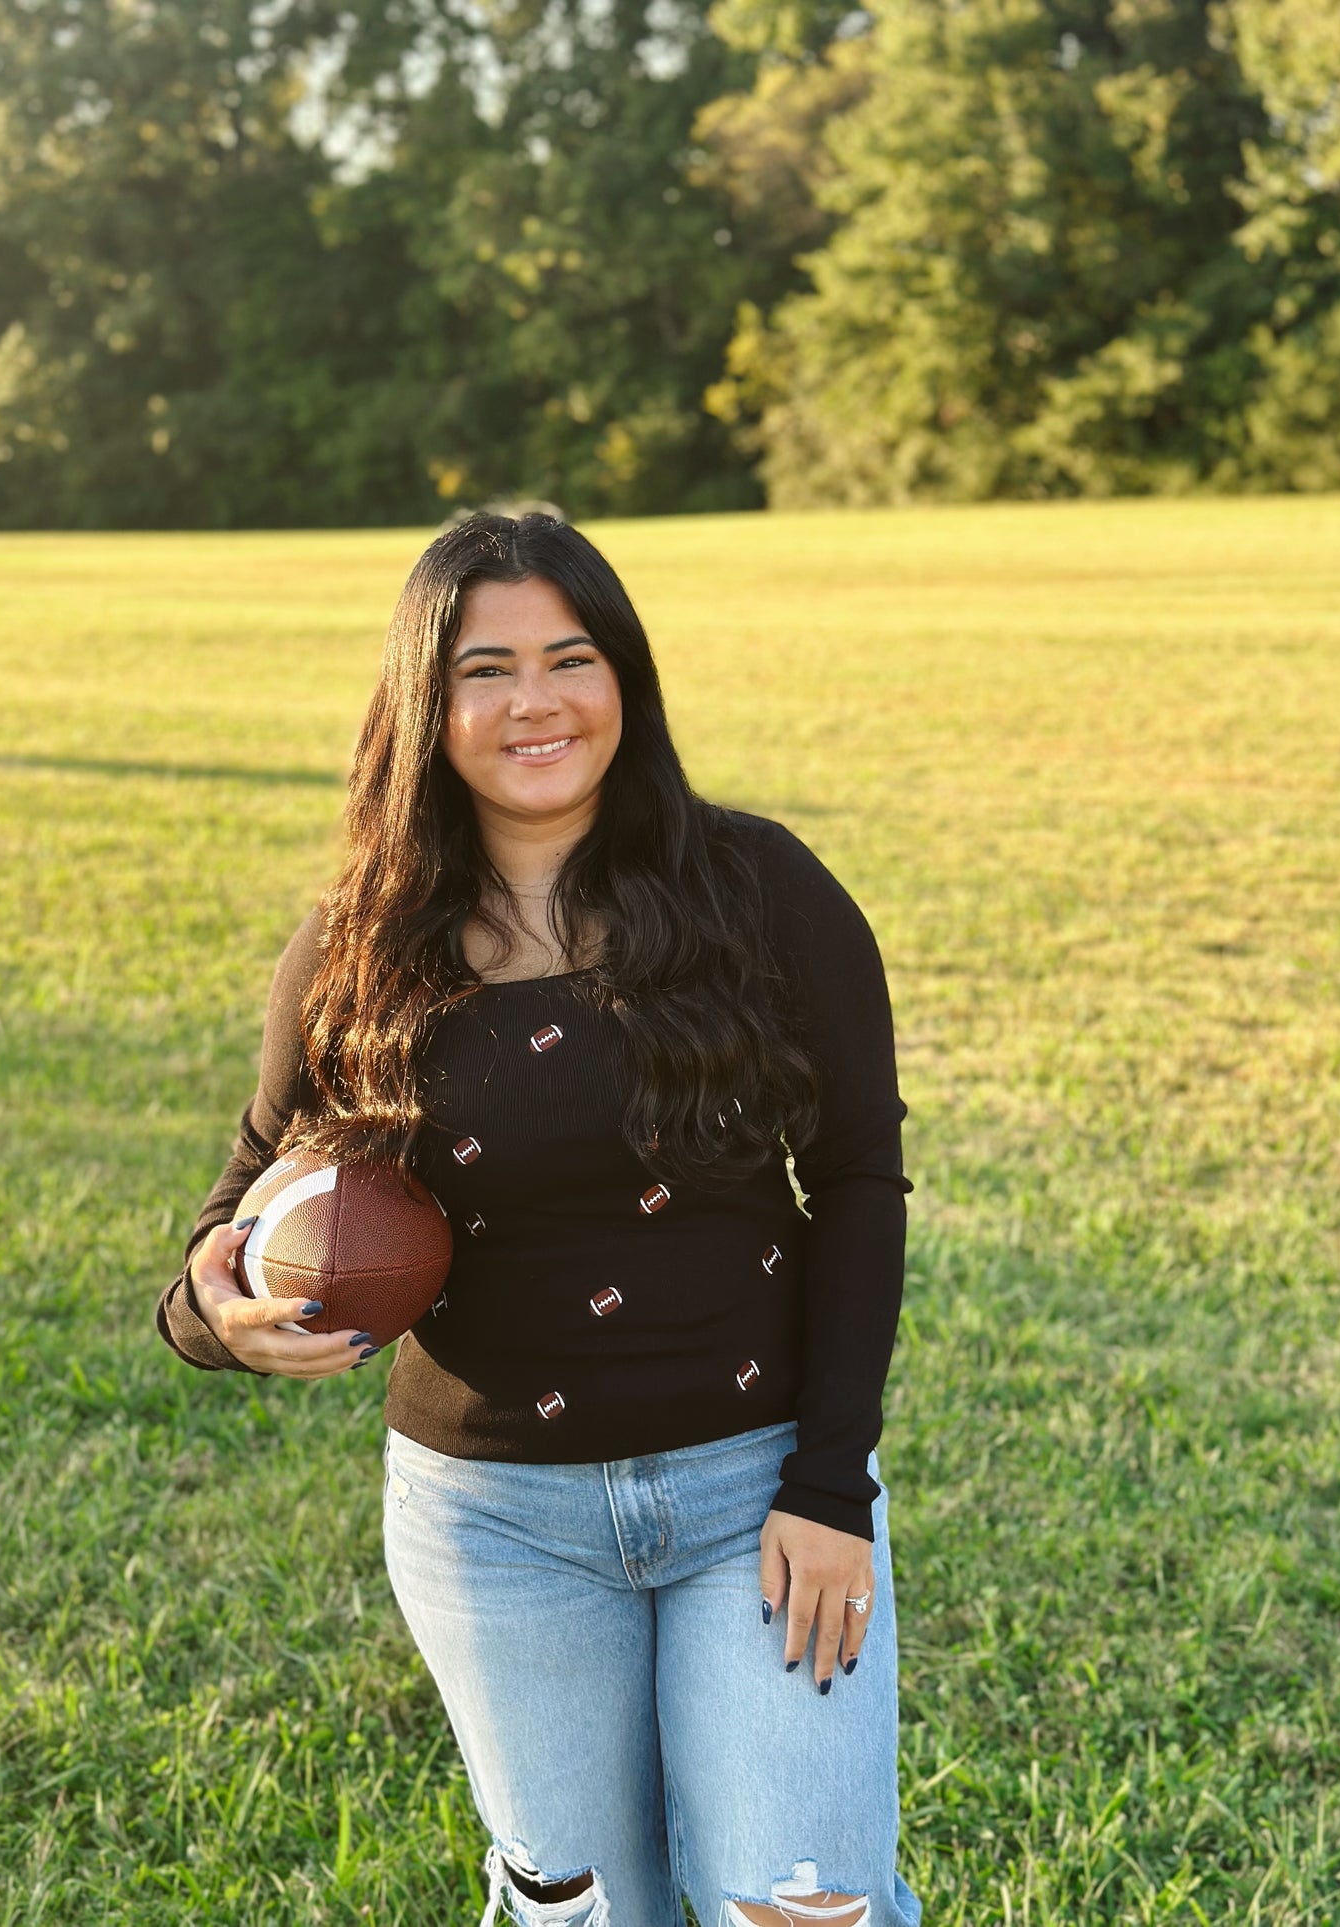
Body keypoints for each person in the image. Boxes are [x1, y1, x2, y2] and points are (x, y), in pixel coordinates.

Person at [156, 511, 920, 1927]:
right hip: (491, 1522)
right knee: (584, 1912)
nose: (535, 703)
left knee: (796, 1902)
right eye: (484, 669)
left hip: (752, 1490)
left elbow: (859, 1185)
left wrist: (830, 1482)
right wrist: (221, 1310)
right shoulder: (358, 947)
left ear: (623, 677)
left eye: (570, 658)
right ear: (424, 705)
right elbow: (230, 1217)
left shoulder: (762, 891)